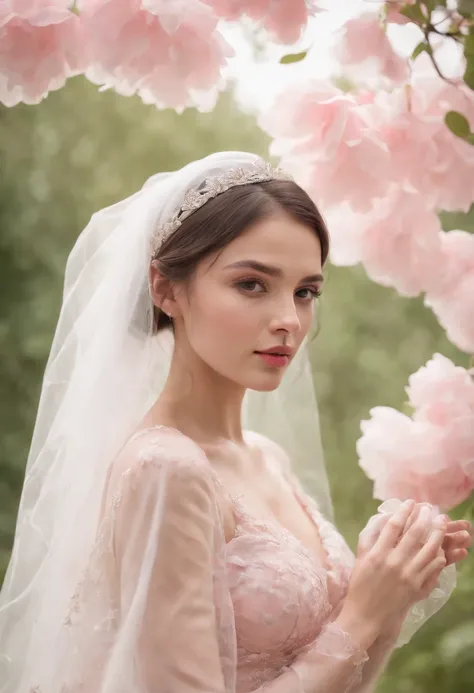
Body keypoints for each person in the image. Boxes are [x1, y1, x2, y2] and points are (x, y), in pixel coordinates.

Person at [0, 151, 471, 693]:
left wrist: (390, 587)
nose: (288, 321)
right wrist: (363, 614)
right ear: (165, 289)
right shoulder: (165, 470)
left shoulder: (268, 457)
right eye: (251, 284)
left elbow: (341, 673)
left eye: (305, 292)